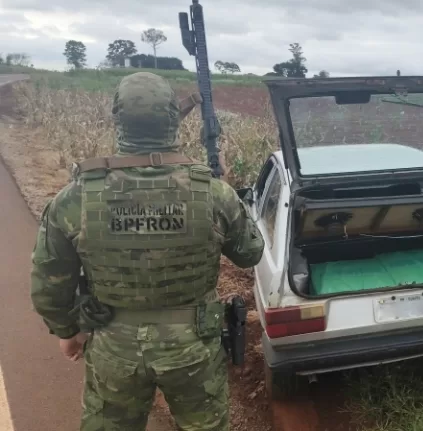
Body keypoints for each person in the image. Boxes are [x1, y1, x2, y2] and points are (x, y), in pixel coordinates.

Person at [30, 72, 264, 431]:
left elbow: (49, 280)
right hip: (193, 348)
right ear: (173, 120)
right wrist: (233, 199)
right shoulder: (213, 192)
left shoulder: (76, 197)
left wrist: (67, 332)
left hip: (113, 344)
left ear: (117, 119)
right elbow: (250, 253)